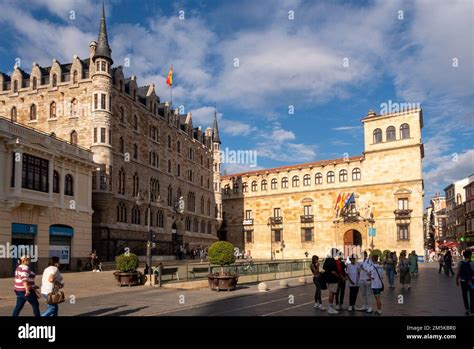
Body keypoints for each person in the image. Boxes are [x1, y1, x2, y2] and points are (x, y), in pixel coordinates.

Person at [456, 250, 474, 315]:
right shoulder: (472, 263)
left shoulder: (460, 263)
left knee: (464, 295)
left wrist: (456, 280)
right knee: (472, 296)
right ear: (469, 255)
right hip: (471, 281)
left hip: (463, 281)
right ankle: (472, 311)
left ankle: (467, 309)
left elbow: (458, 273)